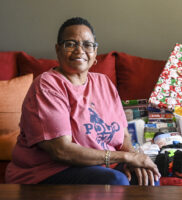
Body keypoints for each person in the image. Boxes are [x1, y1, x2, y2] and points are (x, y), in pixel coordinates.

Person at [5, 17, 160, 186]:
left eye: (87, 44)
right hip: (48, 171)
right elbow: (61, 151)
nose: (80, 50)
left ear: (95, 52)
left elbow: (123, 136)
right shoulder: (48, 85)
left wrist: (134, 159)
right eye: (70, 44)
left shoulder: (104, 83)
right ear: (58, 50)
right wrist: (127, 157)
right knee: (115, 181)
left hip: (101, 165)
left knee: (148, 178)